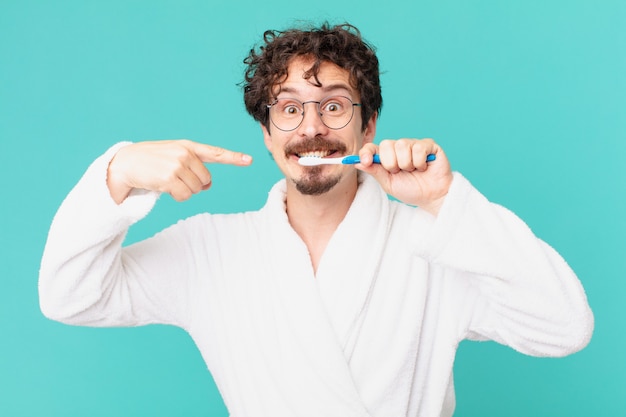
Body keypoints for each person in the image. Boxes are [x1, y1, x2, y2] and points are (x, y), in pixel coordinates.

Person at [39, 22, 593, 417]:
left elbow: (564, 328)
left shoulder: (434, 244)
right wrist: (117, 173)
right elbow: (70, 297)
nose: (312, 128)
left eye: (333, 105)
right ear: (267, 132)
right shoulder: (208, 250)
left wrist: (445, 199)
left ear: (367, 125)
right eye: (288, 108)